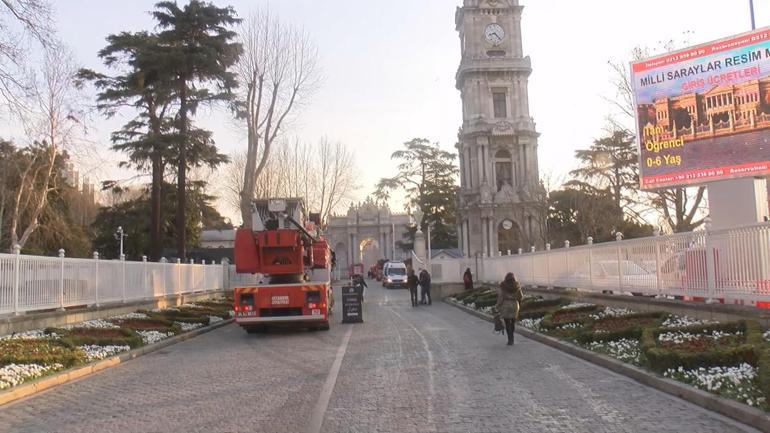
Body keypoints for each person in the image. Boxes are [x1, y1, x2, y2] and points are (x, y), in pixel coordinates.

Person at [496, 272, 523, 346]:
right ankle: (512, 337)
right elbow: (521, 296)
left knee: (507, 323)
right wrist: (519, 303)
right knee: (513, 322)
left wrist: (497, 306)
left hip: (506, 306)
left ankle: (510, 340)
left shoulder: (503, 286)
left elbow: (500, 297)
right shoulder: (517, 286)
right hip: (515, 305)